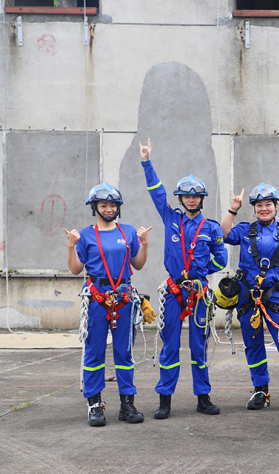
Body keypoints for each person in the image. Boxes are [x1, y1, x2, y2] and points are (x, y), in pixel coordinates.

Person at [139, 138, 228, 419]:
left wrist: (203, 272)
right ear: (180, 199)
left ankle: (203, 398)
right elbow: (156, 192)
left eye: (196, 195)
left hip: (199, 293)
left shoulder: (211, 227)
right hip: (175, 291)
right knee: (170, 345)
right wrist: (146, 162)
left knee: (199, 346)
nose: (191, 199)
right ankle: (165, 399)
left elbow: (222, 259)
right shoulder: (171, 219)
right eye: (186, 196)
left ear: (202, 199)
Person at [221, 184, 279, 412]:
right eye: (259, 205)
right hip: (247, 296)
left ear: (276, 207)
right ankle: (260, 389)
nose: (264, 209)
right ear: (254, 209)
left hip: (274, 295)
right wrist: (233, 210)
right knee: (253, 345)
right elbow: (223, 234)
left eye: (268, 205)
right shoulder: (244, 230)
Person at [64, 183, 151, 426]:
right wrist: (71, 246)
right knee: (94, 352)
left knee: (125, 352)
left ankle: (127, 403)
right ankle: (94, 404)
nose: (109, 209)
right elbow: (75, 269)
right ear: (95, 207)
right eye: (104, 205)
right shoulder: (84, 235)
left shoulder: (129, 232)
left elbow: (139, 265)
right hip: (97, 300)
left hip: (123, 299)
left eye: (113, 205)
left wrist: (144, 243)